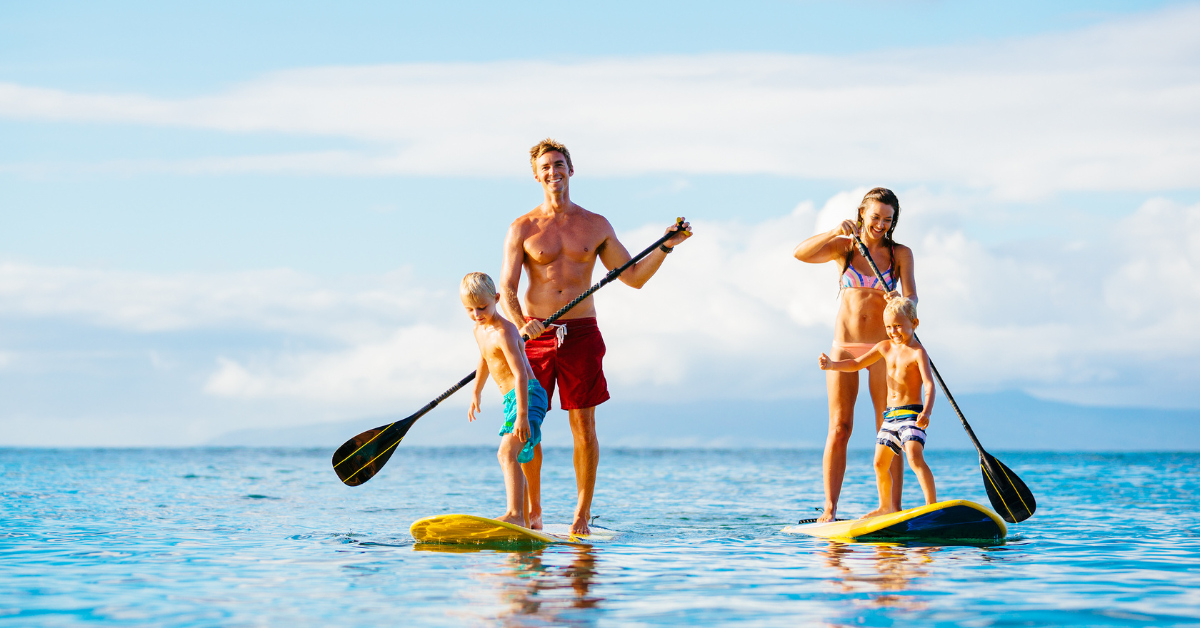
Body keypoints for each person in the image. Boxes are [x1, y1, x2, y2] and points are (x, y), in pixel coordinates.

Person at [500, 138, 692, 534]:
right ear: (536, 176)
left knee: (584, 426)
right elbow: (506, 289)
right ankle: (533, 512)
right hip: (535, 336)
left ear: (571, 169)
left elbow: (634, 277)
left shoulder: (596, 225)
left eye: (559, 164)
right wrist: (520, 323)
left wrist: (666, 248)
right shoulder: (522, 228)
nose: (553, 172)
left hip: (582, 334)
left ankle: (581, 515)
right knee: (528, 426)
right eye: (546, 167)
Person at [793, 187, 918, 522]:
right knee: (840, 427)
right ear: (863, 213)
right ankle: (830, 510)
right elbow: (800, 254)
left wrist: (901, 304)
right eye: (875, 217)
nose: (880, 224)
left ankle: (892, 508)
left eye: (888, 219)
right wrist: (835, 230)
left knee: (888, 428)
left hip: (884, 350)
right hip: (844, 346)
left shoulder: (900, 254)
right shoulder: (845, 248)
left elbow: (913, 299)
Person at [818, 297, 936, 518]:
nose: (893, 331)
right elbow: (856, 363)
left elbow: (929, 385)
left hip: (912, 415)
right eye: (889, 327)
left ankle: (931, 505)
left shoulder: (918, 352)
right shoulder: (884, 347)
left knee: (914, 456)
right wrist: (833, 365)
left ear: (914, 323)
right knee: (879, 463)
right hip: (890, 418)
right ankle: (885, 506)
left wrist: (926, 411)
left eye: (898, 326)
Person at [461, 272, 550, 528]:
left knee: (506, 453)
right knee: (516, 454)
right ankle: (523, 519)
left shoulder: (505, 332)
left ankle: (514, 514)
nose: (477, 314)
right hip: (512, 400)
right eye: (470, 309)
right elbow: (484, 360)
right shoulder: (479, 329)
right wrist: (476, 391)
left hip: (528, 396)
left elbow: (521, 373)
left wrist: (522, 415)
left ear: (496, 299)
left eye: (482, 307)